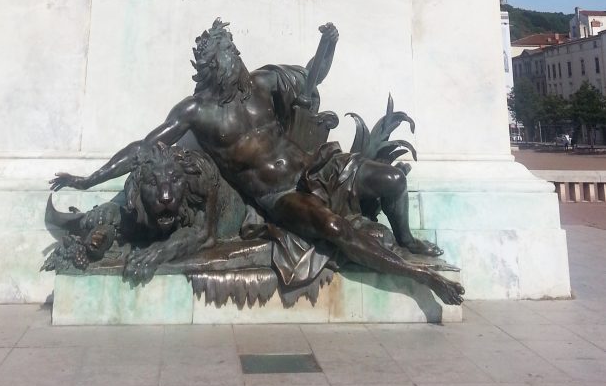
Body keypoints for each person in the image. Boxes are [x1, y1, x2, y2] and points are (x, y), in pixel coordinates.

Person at [52, 19, 463, 305]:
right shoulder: (197, 112)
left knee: (393, 179)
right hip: (279, 196)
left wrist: (328, 44)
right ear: (208, 69)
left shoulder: (265, 83)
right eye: (220, 61)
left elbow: (312, 76)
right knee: (334, 228)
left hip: (319, 166)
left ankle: (407, 241)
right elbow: (143, 147)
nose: (231, 64)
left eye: (231, 54)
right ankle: (422, 277)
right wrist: (90, 179)